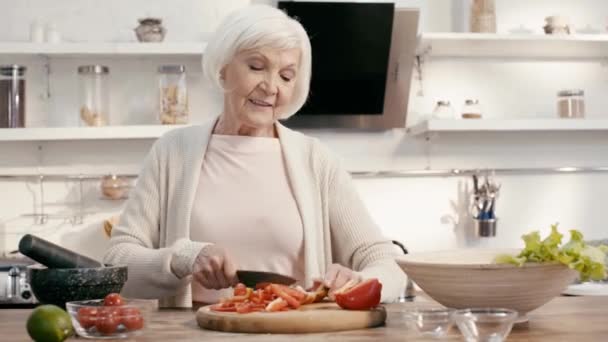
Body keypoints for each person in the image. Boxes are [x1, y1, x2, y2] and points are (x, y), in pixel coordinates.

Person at [104, 4, 406, 308]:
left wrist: (356, 280)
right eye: (256, 66)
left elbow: (385, 262)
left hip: (293, 329)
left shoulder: (317, 161)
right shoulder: (172, 151)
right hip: (194, 331)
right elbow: (117, 260)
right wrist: (184, 258)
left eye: (286, 76)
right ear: (223, 68)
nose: (271, 87)